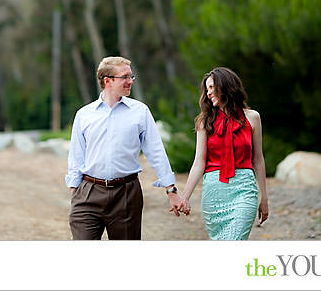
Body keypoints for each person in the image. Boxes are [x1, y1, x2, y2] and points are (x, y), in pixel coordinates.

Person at [66, 56, 187, 239]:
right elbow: (76, 155)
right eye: (125, 77)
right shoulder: (84, 115)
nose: (130, 81)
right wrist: (75, 192)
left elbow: (155, 151)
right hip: (88, 193)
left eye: (131, 76)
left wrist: (171, 190)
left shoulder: (140, 112)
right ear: (107, 81)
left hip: (126, 195)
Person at [179, 67, 269, 239]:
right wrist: (185, 196)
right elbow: (199, 162)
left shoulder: (252, 118)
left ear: (226, 86)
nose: (209, 93)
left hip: (244, 190)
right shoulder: (204, 122)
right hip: (214, 194)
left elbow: (258, 160)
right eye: (207, 89)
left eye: (212, 87)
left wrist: (264, 198)